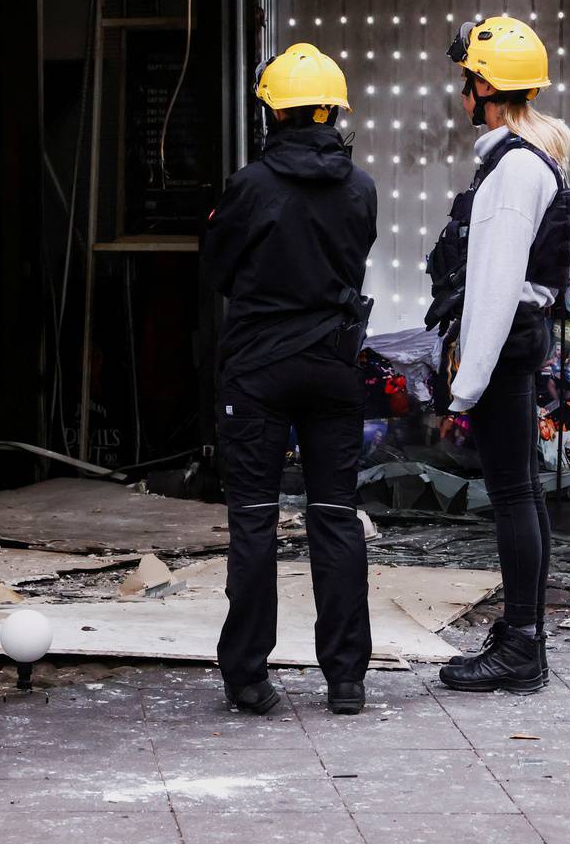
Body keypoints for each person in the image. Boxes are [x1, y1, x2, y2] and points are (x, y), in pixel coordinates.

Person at [201, 43, 379, 716]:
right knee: (335, 518)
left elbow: (216, 271)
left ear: (271, 113)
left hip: (257, 372)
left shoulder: (250, 187)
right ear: (332, 112)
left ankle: (248, 678)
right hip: (333, 368)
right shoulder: (361, 188)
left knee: (254, 520)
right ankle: (346, 680)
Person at [426, 15, 570, 694]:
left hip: (502, 345)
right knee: (523, 491)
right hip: (519, 343)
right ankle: (525, 635)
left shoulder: (513, 172)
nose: (461, 91)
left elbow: (490, 288)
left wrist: (464, 388)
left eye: (466, 79)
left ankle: (520, 643)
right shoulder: (524, 160)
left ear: (483, 87)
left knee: (513, 493)